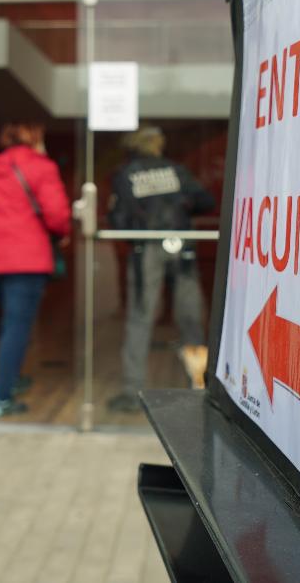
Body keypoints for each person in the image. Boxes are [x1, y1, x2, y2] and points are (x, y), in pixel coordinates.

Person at [0, 123, 71, 419]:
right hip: (26, 259)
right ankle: (0, 398)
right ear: (36, 140)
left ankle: (10, 377)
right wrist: (61, 232)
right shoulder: (41, 167)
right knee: (17, 326)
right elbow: (58, 216)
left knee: (10, 323)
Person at [106, 126, 215, 414]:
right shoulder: (176, 170)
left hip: (145, 250)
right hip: (182, 248)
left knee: (140, 318)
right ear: (158, 145)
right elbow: (206, 201)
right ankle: (201, 386)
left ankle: (132, 393)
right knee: (190, 318)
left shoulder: (125, 173)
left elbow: (118, 216)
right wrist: (181, 205)